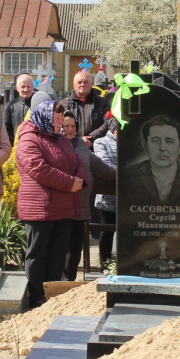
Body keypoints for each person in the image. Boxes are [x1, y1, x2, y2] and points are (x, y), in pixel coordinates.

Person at [16, 101, 85, 311]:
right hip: (40, 208)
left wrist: (80, 180)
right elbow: (39, 169)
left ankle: (52, 295)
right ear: (44, 116)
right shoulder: (29, 139)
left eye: (60, 120)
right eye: (56, 119)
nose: (59, 124)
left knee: (58, 253)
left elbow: (77, 161)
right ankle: (37, 297)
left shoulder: (61, 139)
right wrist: (69, 183)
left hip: (62, 207)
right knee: (38, 253)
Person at [61, 111, 115, 279]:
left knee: (75, 249)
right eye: (66, 126)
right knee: (61, 248)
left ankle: (68, 284)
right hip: (60, 208)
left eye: (73, 126)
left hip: (81, 207)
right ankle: (57, 285)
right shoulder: (55, 144)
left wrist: (125, 174)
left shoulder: (81, 146)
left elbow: (102, 168)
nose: (70, 129)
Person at [122, 114, 180, 207]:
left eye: (169, 141)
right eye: (156, 140)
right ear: (144, 145)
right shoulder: (129, 176)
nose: (162, 148)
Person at [91, 118, 119, 269]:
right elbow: (105, 164)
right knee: (107, 232)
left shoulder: (132, 142)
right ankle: (105, 264)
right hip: (108, 198)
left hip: (128, 198)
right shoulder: (101, 142)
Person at [59, 70, 109, 146]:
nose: (82, 84)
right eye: (79, 82)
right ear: (74, 85)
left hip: (96, 146)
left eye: (86, 82)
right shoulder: (64, 104)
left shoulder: (102, 103)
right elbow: (59, 124)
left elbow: (108, 122)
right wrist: (78, 140)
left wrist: (91, 137)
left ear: (91, 84)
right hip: (72, 147)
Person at [4, 73, 35, 143]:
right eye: (23, 87)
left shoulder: (38, 106)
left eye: (28, 86)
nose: (26, 89)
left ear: (33, 87)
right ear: (17, 88)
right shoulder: (10, 106)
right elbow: (6, 128)